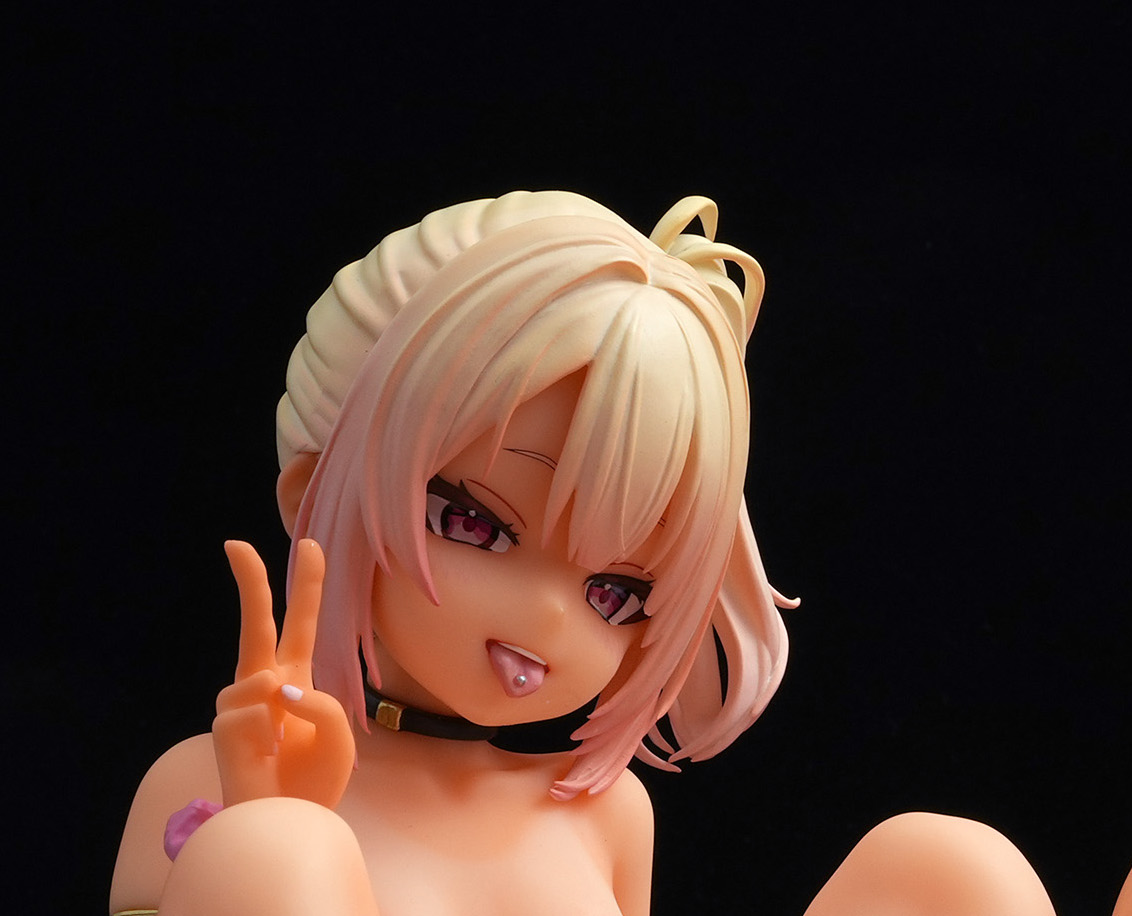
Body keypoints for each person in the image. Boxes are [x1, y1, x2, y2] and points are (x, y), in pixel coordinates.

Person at [107, 191, 1055, 916]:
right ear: (313, 491)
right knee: (271, 853)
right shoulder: (207, 780)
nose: (550, 617)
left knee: (947, 868)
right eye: (476, 525)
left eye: (616, 591)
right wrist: (271, 824)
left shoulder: (603, 813)